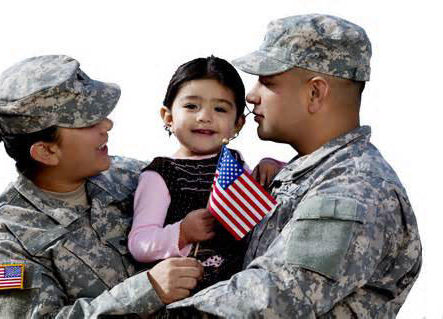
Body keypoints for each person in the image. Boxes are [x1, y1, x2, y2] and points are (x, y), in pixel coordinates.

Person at [167, 14, 422, 318]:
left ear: (315, 93)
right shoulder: (307, 173)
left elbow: (268, 299)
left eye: (267, 81)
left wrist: (142, 306)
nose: (251, 95)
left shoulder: (355, 188)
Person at [0, 55, 203, 318]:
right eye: (89, 122)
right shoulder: (4, 241)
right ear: (46, 151)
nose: (107, 125)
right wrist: (147, 291)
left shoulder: (127, 175)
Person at [128, 56, 248, 291]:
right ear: (168, 117)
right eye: (191, 106)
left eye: (220, 108)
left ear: (237, 124)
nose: (205, 116)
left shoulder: (235, 163)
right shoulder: (160, 174)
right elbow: (139, 243)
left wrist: (271, 166)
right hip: (188, 293)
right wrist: (183, 232)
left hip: (239, 289)